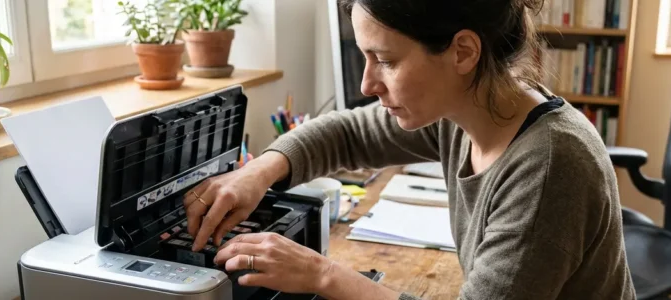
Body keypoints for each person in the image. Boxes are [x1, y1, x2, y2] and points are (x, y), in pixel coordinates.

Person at [181, 0, 636, 298]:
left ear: (462, 52)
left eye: (386, 60)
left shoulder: (550, 165)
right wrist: (256, 173)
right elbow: (348, 134)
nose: (366, 83)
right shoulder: (471, 108)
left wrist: (322, 274)